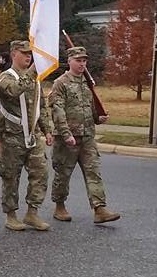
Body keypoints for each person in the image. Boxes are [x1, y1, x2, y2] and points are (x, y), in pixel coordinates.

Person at [49, 46, 120, 224]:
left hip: (87, 136)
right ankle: (59, 205)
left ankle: (99, 208)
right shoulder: (61, 83)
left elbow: (89, 107)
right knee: (63, 174)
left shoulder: (87, 84)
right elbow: (58, 111)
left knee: (93, 172)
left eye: (84, 60)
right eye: (78, 60)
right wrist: (66, 134)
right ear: (70, 61)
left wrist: (99, 117)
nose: (82, 64)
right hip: (68, 139)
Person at [0, 40, 54, 231]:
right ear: (14, 54)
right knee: (11, 177)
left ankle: (32, 212)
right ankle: (11, 215)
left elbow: (41, 107)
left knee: (40, 173)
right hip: (12, 136)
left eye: (30, 54)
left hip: (33, 135)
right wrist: (31, 72)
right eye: (24, 53)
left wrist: (47, 130)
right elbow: (13, 91)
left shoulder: (35, 79)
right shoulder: (5, 77)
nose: (29, 56)